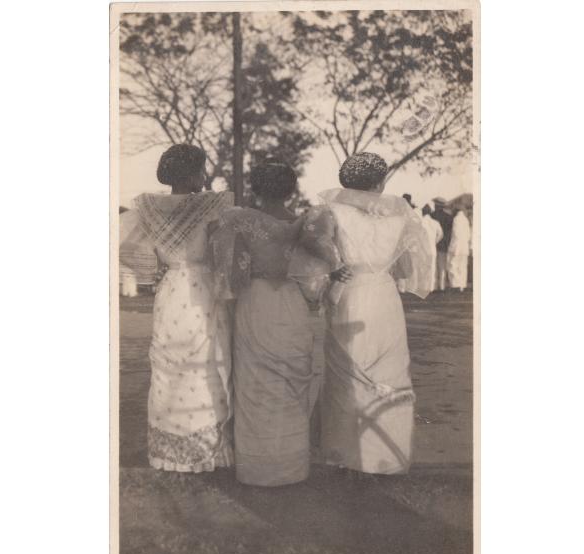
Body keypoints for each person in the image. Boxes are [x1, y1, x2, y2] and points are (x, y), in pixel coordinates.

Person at [210, 161, 347, 486]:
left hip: (255, 302)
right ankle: (291, 467)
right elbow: (320, 272)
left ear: (255, 188)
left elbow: (226, 270)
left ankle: (257, 468)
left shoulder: (237, 219)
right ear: (290, 189)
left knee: (254, 380)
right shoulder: (307, 224)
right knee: (290, 380)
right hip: (292, 302)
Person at [294, 152, 433, 475]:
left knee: (346, 372)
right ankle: (386, 456)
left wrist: (337, 264)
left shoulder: (332, 211)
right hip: (384, 296)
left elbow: (310, 240)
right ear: (379, 182)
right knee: (389, 369)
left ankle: (343, 453)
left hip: (351, 293)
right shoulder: (399, 214)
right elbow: (406, 268)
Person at [119, 144, 234, 472]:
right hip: (201, 289)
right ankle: (207, 451)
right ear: (190, 173)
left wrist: (157, 264)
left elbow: (123, 244)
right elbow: (220, 249)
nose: (204, 176)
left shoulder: (150, 207)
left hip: (170, 290)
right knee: (205, 363)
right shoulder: (211, 204)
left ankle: (169, 452)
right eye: (201, 170)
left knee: (170, 365)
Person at [447, 207, 472, 292]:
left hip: (456, 247)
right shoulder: (466, 220)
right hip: (464, 247)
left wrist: (454, 247)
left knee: (453, 266)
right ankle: (462, 285)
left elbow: (456, 233)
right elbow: (468, 235)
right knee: (462, 267)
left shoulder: (456, 219)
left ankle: (455, 285)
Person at [421, 203, 444, 293]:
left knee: (423, 268)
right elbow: (441, 234)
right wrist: (435, 242)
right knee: (432, 268)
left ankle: (424, 287)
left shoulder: (420, 222)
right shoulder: (435, 222)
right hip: (432, 248)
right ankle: (431, 287)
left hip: (423, 249)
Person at [432, 201, 454, 290]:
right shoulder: (449, 217)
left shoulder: (432, 215)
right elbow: (449, 233)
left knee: (434, 266)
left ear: (436, 205)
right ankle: (442, 286)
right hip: (443, 245)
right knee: (442, 267)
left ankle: (434, 285)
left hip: (433, 243)